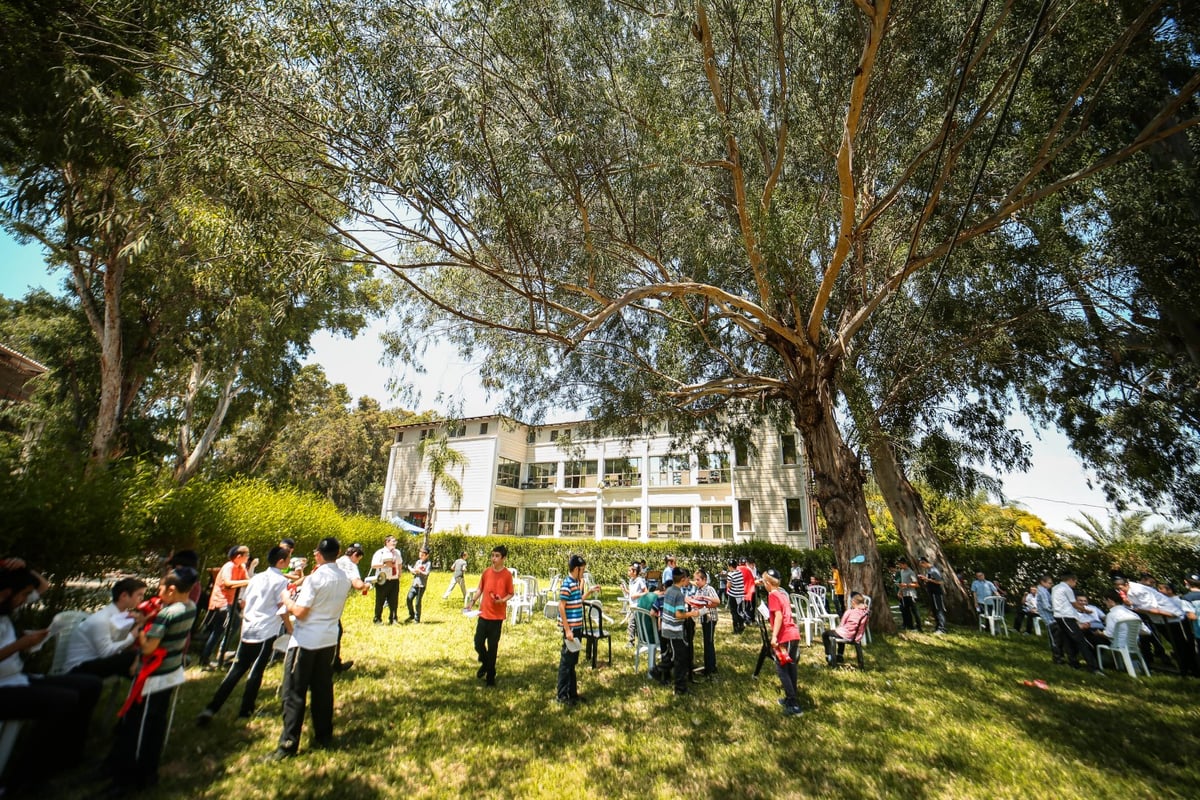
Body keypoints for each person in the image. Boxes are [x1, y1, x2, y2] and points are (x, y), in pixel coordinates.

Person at [0, 563, 104, 794]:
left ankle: (68, 756)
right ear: (7, 594)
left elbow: (43, 586)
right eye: (24, 595)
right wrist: (21, 645)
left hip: (18, 678)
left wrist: (25, 567)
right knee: (62, 700)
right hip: (4, 688)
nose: (26, 599)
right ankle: (23, 779)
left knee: (89, 685)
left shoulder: (7, 608)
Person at [103, 566, 198, 793]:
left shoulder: (167, 614)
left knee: (141, 728)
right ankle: (149, 772)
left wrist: (141, 626)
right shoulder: (190, 607)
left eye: (161, 588)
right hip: (170, 672)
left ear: (172, 589)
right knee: (156, 724)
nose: (158, 592)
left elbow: (148, 648)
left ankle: (131, 777)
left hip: (154, 675)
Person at [270, 537, 351, 760]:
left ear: (318, 554)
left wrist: (287, 599)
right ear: (339, 552)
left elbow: (301, 612)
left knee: (294, 692)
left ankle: (287, 744)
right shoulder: (343, 577)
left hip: (306, 641)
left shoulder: (316, 579)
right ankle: (324, 735)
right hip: (328, 640)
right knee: (323, 690)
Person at [197, 547, 293, 725]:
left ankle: (211, 708)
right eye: (288, 559)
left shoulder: (256, 578)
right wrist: (290, 629)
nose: (289, 561)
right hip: (266, 630)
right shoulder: (280, 581)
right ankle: (245, 711)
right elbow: (282, 608)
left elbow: (243, 602)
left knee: (237, 669)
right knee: (256, 670)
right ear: (281, 561)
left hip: (248, 628)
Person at [63, 577, 147, 678]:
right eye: (139, 595)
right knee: (131, 657)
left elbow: (119, 645)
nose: (142, 599)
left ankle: (143, 688)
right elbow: (106, 653)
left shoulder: (123, 615)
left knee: (138, 658)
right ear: (124, 596)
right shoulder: (100, 620)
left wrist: (134, 623)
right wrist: (133, 634)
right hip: (78, 669)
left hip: (96, 662)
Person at [556, 554, 600, 705]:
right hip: (571, 630)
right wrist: (567, 630)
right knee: (566, 663)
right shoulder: (567, 584)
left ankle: (572, 694)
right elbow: (561, 606)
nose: (584, 572)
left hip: (577, 628)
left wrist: (589, 592)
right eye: (583, 570)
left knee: (572, 662)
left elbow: (578, 601)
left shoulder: (576, 583)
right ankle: (561, 696)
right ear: (576, 569)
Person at [468, 545, 514, 687]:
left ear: (503, 558)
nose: (494, 558)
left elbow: (511, 593)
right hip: (484, 614)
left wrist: (501, 600)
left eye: (497, 556)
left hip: (497, 617)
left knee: (493, 647)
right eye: (492, 555)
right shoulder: (486, 572)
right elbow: (480, 588)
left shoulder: (507, 575)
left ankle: (490, 677)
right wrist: (472, 601)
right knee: (478, 642)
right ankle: (485, 663)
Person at [200, 545, 251, 668]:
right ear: (239, 556)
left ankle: (221, 653)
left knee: (233, 624)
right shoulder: (229, 566)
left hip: (230, 602)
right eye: (247, 555)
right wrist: (246, 582)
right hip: (221, 602)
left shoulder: (241, 567)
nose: (248, 558)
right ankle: (208, 657)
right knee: (222, 629)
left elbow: (248, 581)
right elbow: (228, 583)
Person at [762, 569, 803, 716]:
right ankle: (790, 698)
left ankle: (793, 704)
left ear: (768, 583)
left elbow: (779, 617)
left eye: (764, 582)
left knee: (782, 669)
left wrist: (774, 637)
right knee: (790, 667)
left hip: (785, 636)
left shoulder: (772, 595)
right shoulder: (781, 593)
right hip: (793, 635)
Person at [661, 567, 700, 696]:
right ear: (683, 580)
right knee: (680, 659)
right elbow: (678, 614)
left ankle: (663, 676)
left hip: (666, 627)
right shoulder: (678, 594)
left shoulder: (669, 590)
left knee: (675, 656)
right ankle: (680, 688)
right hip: (674, 630)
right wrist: (692, 613)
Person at [1051, 573, 1099, 673]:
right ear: (1072, 580)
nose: (1075, 584)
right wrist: (1086, 610)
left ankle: (1072, 662)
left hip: (1059, 616)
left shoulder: (1055, 587)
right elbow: (1075, 604)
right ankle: (1093, 666)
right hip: (1066, 617)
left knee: (1066, 639)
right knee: (1080, 640)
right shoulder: (1067, 589)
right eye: (1075, 582)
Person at [332, 543, 368, 673]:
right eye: (358, 559)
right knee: (336, 632)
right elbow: (358, 584)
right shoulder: (350, 565)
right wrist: (366, 586)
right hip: (333, 607)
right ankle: (334, 665)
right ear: (354, 555)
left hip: (320, 603)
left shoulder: (337, 561)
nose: (357, 562)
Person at [823, 592, 870, 666]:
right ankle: (840, 655)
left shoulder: (849, 612)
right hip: (855, 636)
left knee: (826, 634)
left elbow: (842, 624)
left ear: (854, 602)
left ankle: (829, 656)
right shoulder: (865, 613)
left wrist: (838, 629)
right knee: (840, 633)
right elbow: (863, 627)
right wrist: (858, 638)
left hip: (846, 634)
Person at [690, 568, 721, 676]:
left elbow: (717, 602)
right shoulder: (699, 589)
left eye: (698, 580)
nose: (696, 582)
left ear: (704, 580)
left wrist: (705, 600)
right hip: (703, 618)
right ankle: (708, 666)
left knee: (709, 643)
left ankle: (711, 668)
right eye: (696, 580)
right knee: (706, 642)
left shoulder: (709, 589)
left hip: (710, 619)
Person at [370, 535, 403, 624]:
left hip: (394, 579)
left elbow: (399, 563)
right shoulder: (380, 552)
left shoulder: (397, 552)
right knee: (380, 600)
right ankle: (377, 619)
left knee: (394, 600)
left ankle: (393, 619)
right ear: (387, 542)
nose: (395, 543)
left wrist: (399, 572)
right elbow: (373, 565)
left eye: (395, 541)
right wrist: (384, 565)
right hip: (383, 579)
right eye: (393, 541)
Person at [917, 557, 947, 634]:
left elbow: (940, 582)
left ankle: (942, 628)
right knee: (935, 610)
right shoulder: (929, 570)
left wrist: (928, 579)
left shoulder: (934, 570)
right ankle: (937, 627)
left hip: (937, 593)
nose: (922, 566)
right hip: (932, 593)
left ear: (924, 562)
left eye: (922, 564)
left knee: (939, 610)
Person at [895, 558, 922, 632]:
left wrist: (907, 585)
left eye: (901, 565)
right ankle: (909, 625)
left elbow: (916, 585)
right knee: (906, 610)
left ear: (905, 564)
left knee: (914, 611)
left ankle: (919, 627)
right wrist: (900, 591)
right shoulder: (902, 571)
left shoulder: (911, 572)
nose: (900, 566)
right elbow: (902, 583)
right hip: (904, 594)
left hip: (911, 594)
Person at [406, 547, 432, 623]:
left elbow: (426, 573)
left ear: (427, 556)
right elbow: (414, 571)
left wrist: (419, 571)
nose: (421, 556)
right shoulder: (418, 562)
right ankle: (411, 615)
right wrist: (412, 570)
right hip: (414, 584)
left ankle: (417, 619)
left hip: (421, 586)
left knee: (417, 603)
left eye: (423, 555)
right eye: (420, 554)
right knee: (409, 599)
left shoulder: (428, 563)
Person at [626, 563, 648, 645]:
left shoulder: (640, 580)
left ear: (634, 572)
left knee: (632, 624)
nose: (628, 572)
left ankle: (631, 642)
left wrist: (637, 595)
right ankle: (641, 641)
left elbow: (646, 592)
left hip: (637, 606)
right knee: (634, 624)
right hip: (632, 606)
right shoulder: (631, 581)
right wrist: (625, 590)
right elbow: (631, 593)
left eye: (629, 570)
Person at [725, 559, 746, 633]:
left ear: (730, 566)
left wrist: (727, 584)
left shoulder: (730, 574)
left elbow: (729, 585)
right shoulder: (740, 573)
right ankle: (741, 624)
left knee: (733, 612)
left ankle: (736, 628)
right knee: (739, 611)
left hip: (733, 595)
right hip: (740, 595)